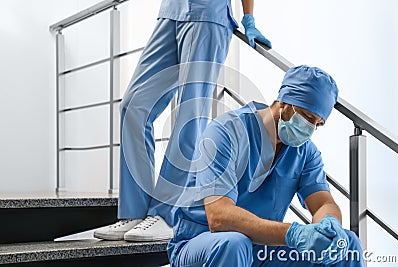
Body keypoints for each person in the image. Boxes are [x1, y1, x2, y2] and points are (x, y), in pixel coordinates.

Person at [94, 0, 271, 241]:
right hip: (171, 12)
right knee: (134, 106)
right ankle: (134, 212)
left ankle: (166, 215)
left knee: (190, 114)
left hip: (208, 15)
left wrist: (249, 18)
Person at [167, 65, 365, 266]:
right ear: (284, 102)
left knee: (347, 246)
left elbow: (323, 203)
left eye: (318, 124)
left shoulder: (305, 152)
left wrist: (328, 225)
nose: (310, 129)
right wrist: (294, 233)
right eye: (307, 117)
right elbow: (219, 217)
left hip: (262, 247)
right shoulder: (226, 132)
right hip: (204, 242)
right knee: (234, 243)